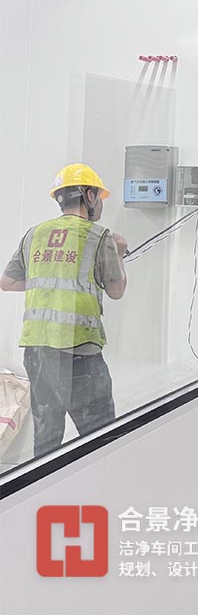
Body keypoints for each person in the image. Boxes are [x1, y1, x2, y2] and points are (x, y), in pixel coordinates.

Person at [0, 164, 128, 457]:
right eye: (99, 196)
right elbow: (116, 290)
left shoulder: (34, 234)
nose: (101, 202)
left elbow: (7, 282)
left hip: (37, 351)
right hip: (79, 354)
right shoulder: (99, 237)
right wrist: (119, 253)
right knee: (102, 440)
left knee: (46, 442)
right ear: (88, 195)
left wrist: (49, 277)